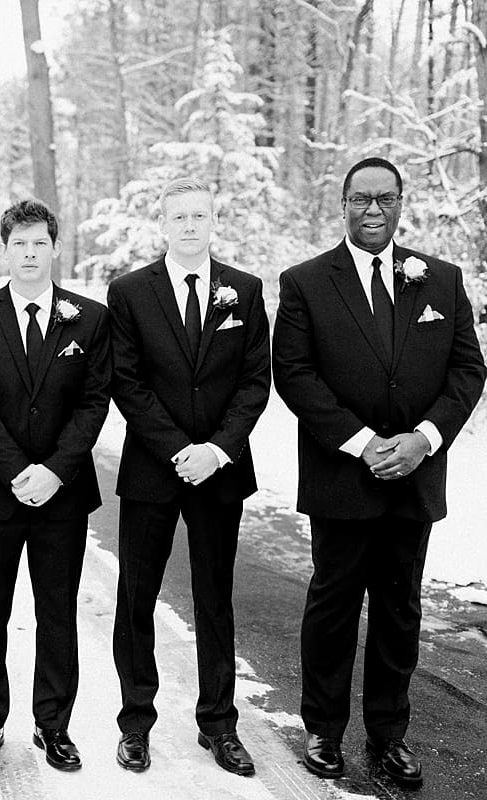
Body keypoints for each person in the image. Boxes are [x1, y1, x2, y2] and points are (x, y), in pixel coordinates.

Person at [273, 156, 486, 788]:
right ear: (342, 205)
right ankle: (324, 730)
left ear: (400, 203)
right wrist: (362, 442)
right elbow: (295, 372)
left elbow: (468, 370)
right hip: (343, 477)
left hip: (415, 477)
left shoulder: (440, 280)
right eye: (361, 199)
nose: (373, 210)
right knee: (333, 606)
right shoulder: (306, 282)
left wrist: (423, 439)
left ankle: (390, 734)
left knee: (400, 608)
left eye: (385, 199)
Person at [107, 178, 270, 776]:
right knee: (136, 596)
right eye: (179, 216)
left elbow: (257, 381)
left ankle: (219, 724)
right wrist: (180, 449)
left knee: (214, 597)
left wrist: (218, 450)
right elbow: (126, 380)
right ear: (163, 223)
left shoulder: (245, 291)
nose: (190, 225)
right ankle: (135, 722)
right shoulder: (128, 292)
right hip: (154, 468)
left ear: (213, 220)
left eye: (200, 214)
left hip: (220, 472)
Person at [0, 198, 110, 772]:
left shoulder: (88, 318)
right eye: (19, 243)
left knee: (57, 610)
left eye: (39, 242)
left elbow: (94, 401)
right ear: (5, 250)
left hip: (62, 492)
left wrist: (54, 469)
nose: (29, 252)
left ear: (54, 247)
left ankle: (54, 724)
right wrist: (16, 469)